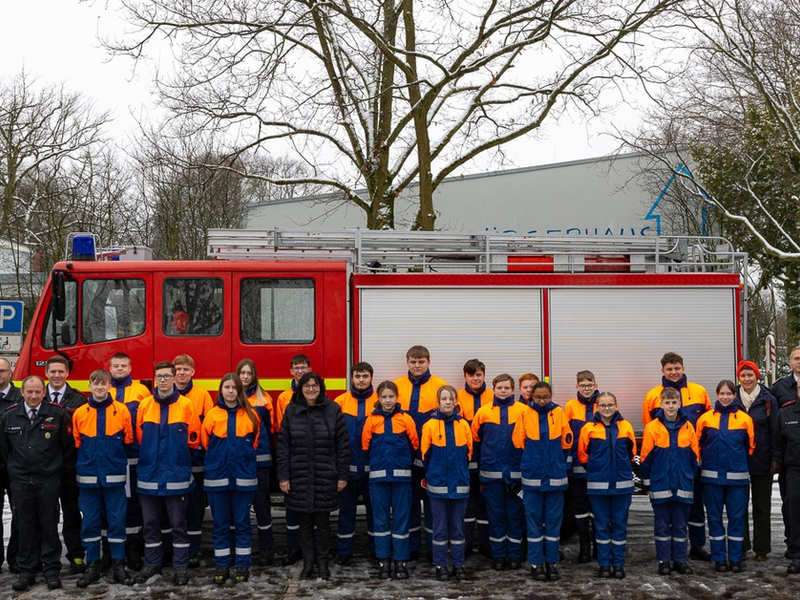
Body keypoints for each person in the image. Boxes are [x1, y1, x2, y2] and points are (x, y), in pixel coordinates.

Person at [0, 375, 73, 591]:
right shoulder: (9, 415)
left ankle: (51, 570)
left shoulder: (57, 414)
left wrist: (56, 470)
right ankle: (26, 571)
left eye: (37, 392)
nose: (33, 396)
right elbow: (4, 450)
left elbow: (67, 447)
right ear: (22, 392)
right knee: (25, 526)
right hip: (21, 481)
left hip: (48, 479)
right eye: (29, 392)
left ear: (44, 392)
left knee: (50, 525)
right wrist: (16, 470)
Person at [277, 371, 349, 579]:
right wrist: (283, 476)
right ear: (300, 388)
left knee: (323, 522)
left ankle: (323, 562)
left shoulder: (333, 410)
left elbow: (342, 447)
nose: (311, 389)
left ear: (321, 387)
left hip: (325, 475)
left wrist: (342, 475)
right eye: (306, 386)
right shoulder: (292, 411)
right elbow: (283, 447)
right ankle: (308, 562)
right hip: (298, 475)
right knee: (305, 523)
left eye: (315, 385)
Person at [135, 361, 201, 585]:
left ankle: (180, 565)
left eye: (166, 376)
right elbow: (139, 438)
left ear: (174, 378)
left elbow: (194, 440)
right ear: (154, 379)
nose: (162, 380)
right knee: (151, 524)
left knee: (178, 524)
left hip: (176, 476)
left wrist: (178, 462)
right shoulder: (144, 405)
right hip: (149, 475)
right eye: (159, 376)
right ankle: (152, 563)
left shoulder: (186, 405)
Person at [642, 352, 711, 561]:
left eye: (677, 368)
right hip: (666, 464)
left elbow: (708, 423)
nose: (674, 372)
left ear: (683, 367)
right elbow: (649, 429)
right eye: (669, 369)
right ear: (662, 371)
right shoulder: (652, 396)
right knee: (667, 512)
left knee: (695, 506)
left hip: (691, 462)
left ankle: (697, 546)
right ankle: (668, 551)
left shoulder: (699, 392)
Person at [72, 369, 135, 587]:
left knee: (117, 522)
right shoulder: (80, 413)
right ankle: (93, 566)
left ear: (110, 386)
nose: (99, 388)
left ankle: (119, 565)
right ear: (89, 386)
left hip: (114, 477)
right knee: (90, 522)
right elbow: (77, 442)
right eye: (95, 383)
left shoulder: (122, 411)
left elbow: (128, 440)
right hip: (88, 477)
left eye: (103, 383)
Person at [202, 373, 260, 585]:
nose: (230, 391)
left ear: (239, 391)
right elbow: (205, 443)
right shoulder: (212, 415)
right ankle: (222, 565)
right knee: (221, 525)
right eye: (226, 387)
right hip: (217, 479)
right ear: (221, 390)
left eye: (234, 388)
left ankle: (243, 565)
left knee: (243, 524)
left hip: (243, 480)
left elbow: (254, 443)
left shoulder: (251, 416)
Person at [512, 381, 571, 581]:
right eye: (538, 397)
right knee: (534, 523)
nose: (542, 400)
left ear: (551, 395)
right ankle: (536, 564)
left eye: (546, 396)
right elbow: (518, 442)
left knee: (554, 524)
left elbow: (567, 441)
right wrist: (530, 461)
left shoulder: (559, 413)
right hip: (532, 478)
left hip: (555, 477)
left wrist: (559, 464)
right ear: (531, 396)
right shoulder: (524, 413)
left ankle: (552, 563)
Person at [395, 345, 448, 559]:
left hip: (432, 457)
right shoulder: (397, 386)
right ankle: (413, 548)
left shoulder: (440, 386)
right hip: (406, 457)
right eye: (413, 362)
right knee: (410, 505)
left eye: (421, 362)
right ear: (407, 362)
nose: (417, 366)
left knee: (434, 505)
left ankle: (433, 548)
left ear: (428, 362)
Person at [695, 379, 755, 573]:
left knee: (737, 518)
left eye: (729, 393)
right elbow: (698, 446)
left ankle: (736, 558)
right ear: (717, 395)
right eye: (722, 393)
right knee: (714, 518)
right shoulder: (705, 419)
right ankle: (719, 558)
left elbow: (750, 447)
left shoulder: (745, 419)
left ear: (734, 395)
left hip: (737, 479)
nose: (726, 397)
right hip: (712, 478)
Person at [362, 380, 420, 580]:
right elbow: (365, 446)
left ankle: (400, 561)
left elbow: (415, 444)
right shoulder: (371, 420)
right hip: (378, 480)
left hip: (402, 480)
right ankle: (383, 561)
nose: (388, 400)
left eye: (391, 397)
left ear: (397, 398)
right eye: (384, 397)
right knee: (380, 521)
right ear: (378, 398)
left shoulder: (406, 419)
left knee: (401, 522)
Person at [639, 387, 699, 576]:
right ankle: (664, 561)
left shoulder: (688, 426)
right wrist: (648, 482)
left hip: (682, 484)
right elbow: (646, 458)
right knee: (662, 525)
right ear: (661, 404)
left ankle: (680, 561)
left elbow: (695, 458)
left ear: (680, 403)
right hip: (661, 484)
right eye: (667, 402)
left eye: (674, 402)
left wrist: (688, 477)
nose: (671, 406)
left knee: (681, 525)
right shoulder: (652, 427)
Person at [577, 391, 637, 579]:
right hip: (597, 485)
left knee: (619, 525)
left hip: (622, 485)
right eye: (603, 405)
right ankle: (604, 564)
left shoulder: (626, 426)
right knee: (601, 526)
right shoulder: (588, 428)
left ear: (616, 405)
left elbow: (631, 452)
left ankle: (618, 564)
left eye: (610, 404)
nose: (606, 408)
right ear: (597, 407)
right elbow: (582, 455)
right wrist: (597, 470)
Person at [471, 373, 527, 570]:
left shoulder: (523, 411)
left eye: (507, 388)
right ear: (493, 389)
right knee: (496, 516)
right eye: (499, 388)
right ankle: (498, 555)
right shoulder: (483, 412)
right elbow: (475, 443)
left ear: (513, 390)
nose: (503, 391)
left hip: (516, 475)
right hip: (490, 475)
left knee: (515, 516)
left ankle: (514, 554)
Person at [422, 385, 473, 581]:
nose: (448, 402)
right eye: (443, 399)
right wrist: (434, 473)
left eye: (451, 399)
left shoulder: (464, 425)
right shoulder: (430, 426)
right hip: (438, 486)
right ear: (437, 403)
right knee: (440, 528)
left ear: (456, 402)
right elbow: (425, 455)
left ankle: (459, 564)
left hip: (459, 484)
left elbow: (468, 453)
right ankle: (440, 565)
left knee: (458, 528)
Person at [108, 352, 152, 571]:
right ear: (109, 369)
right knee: (113, 503)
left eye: (123, 365)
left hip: (135, 455)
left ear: (130, 368)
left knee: (134, 503)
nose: (119, 369)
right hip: (111, 456)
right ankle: (112, 551)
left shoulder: (141, 391)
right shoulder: (104, 390)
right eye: (115, 366)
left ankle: (135, 550)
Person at [45, 355, 87, 574]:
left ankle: (76, 555)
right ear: (47, 374)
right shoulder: (37, 397)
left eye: (61, 371)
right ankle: (48, 558)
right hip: (45, 470)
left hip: (70, 468)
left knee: (72, 513)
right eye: (53, 371)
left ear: (67, 374)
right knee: (47, 516)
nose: (57, 375)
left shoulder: (79, 400)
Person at [735, 360, 780, 562]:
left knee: (762, 506)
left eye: (750, 375)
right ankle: (741, 546)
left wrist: (775, 458)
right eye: (743, 375)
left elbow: (775, 432)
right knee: (739, 507)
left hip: (762, 461)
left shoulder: (768, 400)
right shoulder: (731, 398)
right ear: (739, 377)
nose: (747, 379)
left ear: (757, 376)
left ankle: (762, 549)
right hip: (737, 463)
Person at [173, 354, 214, 568]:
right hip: (172, 463)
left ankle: (194, 551)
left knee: (195, 510)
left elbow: (207, 428)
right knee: (174, 511)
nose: (181, 373)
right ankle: (176, 549)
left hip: (195, 462)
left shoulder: (202, 395)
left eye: (185, 370)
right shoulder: (165, 395)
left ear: (193, 372)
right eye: (178, 369)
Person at [334, 362, 377, 564]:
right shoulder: (340, 402)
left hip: (372, 471)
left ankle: (377, 549)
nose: (361, 380)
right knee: (346, 513)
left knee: (375, 513)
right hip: (348, 471)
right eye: (357, 376)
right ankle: (344, 552)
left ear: (371, 378)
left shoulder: (380, 401)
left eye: (365, 376)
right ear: (351, 378)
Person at [236, 358, 276, 566]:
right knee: (240, 509)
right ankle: (241, 549)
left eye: (248, 373)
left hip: (259, 462)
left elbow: (270, 429)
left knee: (262, 508)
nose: (245, 377)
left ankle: (266, 549)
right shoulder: (230, 396)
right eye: (242, 373)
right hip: (239, 463)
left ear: (254, 376)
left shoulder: (264, 399)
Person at [274, 353, 311, 566]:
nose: (300, 371)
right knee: (292, 508)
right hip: (293, 458)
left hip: (312, 458)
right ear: (291, 371)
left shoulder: (317, 393)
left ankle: (309, 547)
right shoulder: (283, 398)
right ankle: (293, 547)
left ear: (309, 369)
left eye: (303, 367)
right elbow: (282, 431)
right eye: (296, 368)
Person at [455, 359, 492, 557]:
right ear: (465, 377)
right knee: (466, 505)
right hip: (465, 460)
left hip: (488, 459)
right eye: (471, 375)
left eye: (478, 375)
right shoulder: (457, 398)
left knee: (486, 504)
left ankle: (487, 546)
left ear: (484, 375)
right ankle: (466, 545)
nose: (475, 378)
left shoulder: (493, 397)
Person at [563, 370, 600, 563]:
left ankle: (598, 548)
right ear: (577, 387)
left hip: (598, 469)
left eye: (590, 385)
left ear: (595, 385)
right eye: (583, 385)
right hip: (577, 468)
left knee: (598, 509)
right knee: (580, 508)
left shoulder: (602, 404)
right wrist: (568, 465)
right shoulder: (570, 406)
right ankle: (584, 547)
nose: (587, 388)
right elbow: (566, 438)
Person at [0, 357, 22, 572]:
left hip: (15, 467)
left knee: (20, 514)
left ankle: (16, 559)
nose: (0, 375)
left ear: (10, 373)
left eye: (3, 370)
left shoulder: (20, 398)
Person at [778, 378, 800, 574]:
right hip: (794, 470)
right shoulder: (786, 411)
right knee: (794, 511)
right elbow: (779, 442)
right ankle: (796, 555)